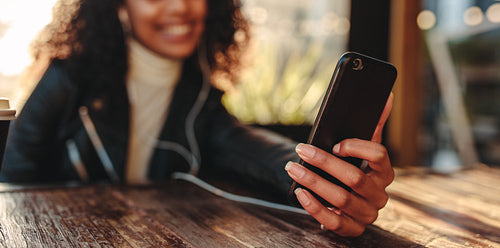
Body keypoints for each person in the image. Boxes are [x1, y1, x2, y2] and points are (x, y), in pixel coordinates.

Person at [0, 0, 394, 237]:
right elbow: (12, 183)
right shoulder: (67, 78)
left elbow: (255, 151)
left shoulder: (201, 98)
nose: (180, 7)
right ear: (119, 5)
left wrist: (327, 176)